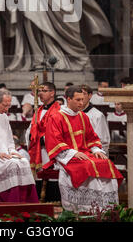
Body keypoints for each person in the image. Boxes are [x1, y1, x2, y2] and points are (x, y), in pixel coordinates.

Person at [44, 85, 123, 213]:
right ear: (68, 99)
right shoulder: (56, 117)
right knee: (87, 166)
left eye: (82, 99)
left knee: (105, 163)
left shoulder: (83, 116)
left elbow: (92, 137)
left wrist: (97, 150)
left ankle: (106, 207)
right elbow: (54, 141)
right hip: (66, 155)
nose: (81, 103)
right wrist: (73, 153)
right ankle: (85, 208)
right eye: (78, 100)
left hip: (84, 153)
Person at [0, 88, 38, 202]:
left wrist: (13, 151)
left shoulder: (3, 116)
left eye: (9, 105)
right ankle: (12, 202)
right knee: (13, 165)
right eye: (5, 105)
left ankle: (27, 202)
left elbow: (9, 139)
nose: (7, 109)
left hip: (6, 155)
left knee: (24, 162)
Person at [26, 81, 61, 201]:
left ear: (52, 93)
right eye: (40, 91)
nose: (40, 94)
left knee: (52, 178)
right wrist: (31, 137)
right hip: (38, 150)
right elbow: (31, 129)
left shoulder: (59, 110)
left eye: (44, 91)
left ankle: (54, 203)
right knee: (38, 178)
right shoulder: (38, 110)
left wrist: (44, 139)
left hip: (51, 150)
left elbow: (59, 131)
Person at [80, 84, 110, 155]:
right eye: (79, 94)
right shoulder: (73, 113)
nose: (81, 97)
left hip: (93, 152)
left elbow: (103, 140)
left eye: (83, 94)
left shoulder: (98, 115)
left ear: (90, 96)